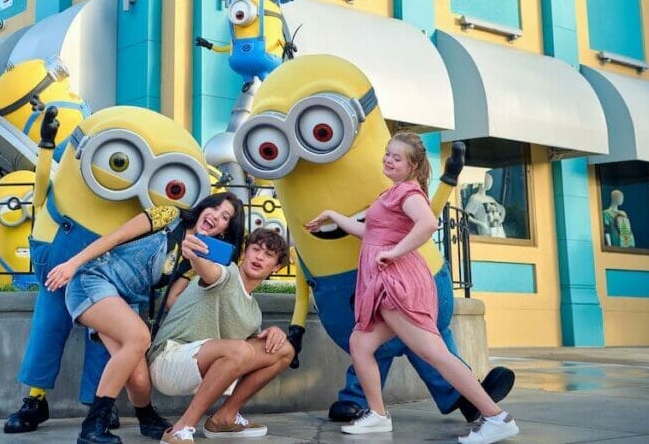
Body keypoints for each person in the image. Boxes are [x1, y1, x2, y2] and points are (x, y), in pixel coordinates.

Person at [306, 132, 520, 444]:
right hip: (384, 283)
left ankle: (497, 417)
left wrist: (395, 252)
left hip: (397, 284)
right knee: (361, 344)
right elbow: (369, 232)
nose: (388, 160)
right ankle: (378, 415)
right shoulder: (391, 193)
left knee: (435, 353)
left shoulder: (409, 193)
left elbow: (428, 224)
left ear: (413, 165)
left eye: (397, 157)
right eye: (387, 153)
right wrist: (334, 217)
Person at [45, 192, 244, 444]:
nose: (215, 216)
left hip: (124, 300)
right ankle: (92, 428)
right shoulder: (169, 216)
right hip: (94, 280)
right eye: (215, 207)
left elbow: (174, 302)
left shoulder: (196, 261)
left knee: (139, 377)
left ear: (226, 230)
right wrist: (72, 264)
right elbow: (116, 237)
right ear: (204, 207)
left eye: (225, 216)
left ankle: (147, 418)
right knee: (139, 336)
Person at [152, 228, 294, 443]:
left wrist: (274, 331)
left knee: (284, 351)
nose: (259, 257)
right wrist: (194, 256)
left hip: (202, 368)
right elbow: (208, 271)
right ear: (245, 253)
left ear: (276, 267)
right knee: (241, 349)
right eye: (255, 249)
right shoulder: (227, 274)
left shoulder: (254, 311)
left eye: (268, 255)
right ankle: (181, 429)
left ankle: (224, 418)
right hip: (168, 360)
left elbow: (250, 356)